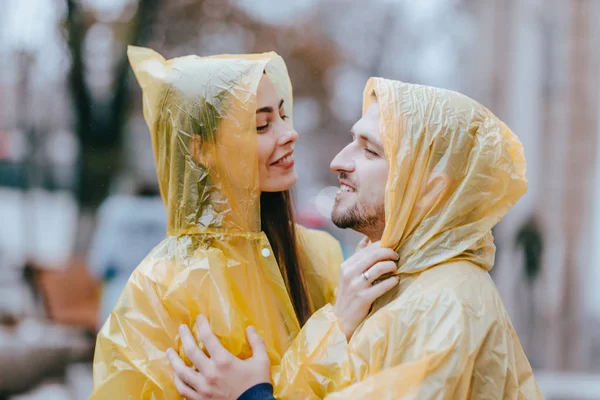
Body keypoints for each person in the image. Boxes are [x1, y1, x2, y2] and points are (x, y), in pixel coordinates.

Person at [168, 78, 544, 399]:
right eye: (353, 140)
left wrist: (252, 396)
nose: (338, 161)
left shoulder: (445, 306)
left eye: (369, 150)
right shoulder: (391, 278)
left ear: (429, 190)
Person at [90, 47, 378, 399]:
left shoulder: (321, 256)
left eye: (284, 116)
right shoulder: (161, 288)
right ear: (200, 149)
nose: (289, 134)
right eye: (261, 124)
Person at [87, 182, 166, 329]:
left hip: (118, 297)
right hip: (158, 301)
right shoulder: (166, 215)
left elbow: (99, 265)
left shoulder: (115, 212)